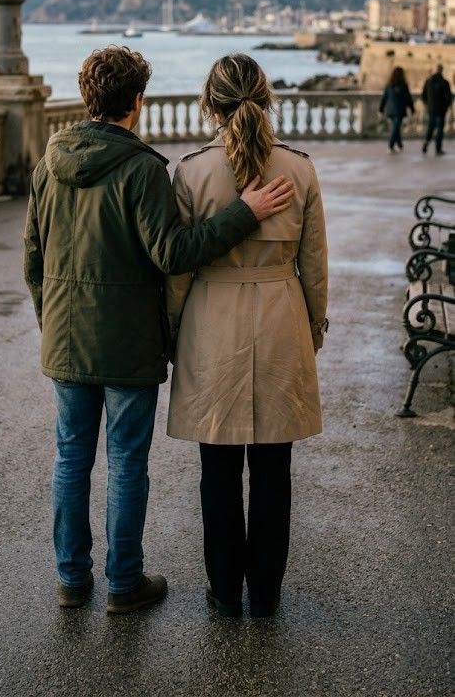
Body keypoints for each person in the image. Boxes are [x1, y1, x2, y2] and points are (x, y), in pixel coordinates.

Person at [23, 46, 294, 615]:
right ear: (138, 101)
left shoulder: (48, 162)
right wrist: (243, 212)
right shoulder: (142, 169)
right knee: (124, 461)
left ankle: (71, 579)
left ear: (87, 96)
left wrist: (50, 320)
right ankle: (124, 584)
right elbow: (173, 253)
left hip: (65, 338)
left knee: (70, 458)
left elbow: (33, 254)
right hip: (127, 343)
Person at [166, 53, 328, 619]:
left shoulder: (191, 171)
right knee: (273, 468)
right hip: (281, 314)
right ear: (267, 96)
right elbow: (315, 264)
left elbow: (179, 271)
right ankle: (266, 593)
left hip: (213, 318)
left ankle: (224, 591)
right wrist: (314, 326)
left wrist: (172, 331)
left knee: (217, 467)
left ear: (209, 103)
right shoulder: (301, 169)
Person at [378, 67, 415, 152]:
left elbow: (384, 98)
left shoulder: (389, 85)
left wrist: (381, 109)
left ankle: (400, 145)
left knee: (396, 128)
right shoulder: (403, 85)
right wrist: (412, 109)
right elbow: (408, 98)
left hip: (390, 110)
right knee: (396, 128)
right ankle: (390, 146)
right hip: (399, 110)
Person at [421, 64, 453, 156]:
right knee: (440, 129)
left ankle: (426, 143)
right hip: (441, 109)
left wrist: (428, 105)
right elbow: (448, 97)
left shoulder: (428, 81)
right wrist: (446, 106)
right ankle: (438, 149)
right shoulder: (444, 82)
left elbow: (423, 95)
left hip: (431, 108)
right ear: (441, 70)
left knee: (431, 127)